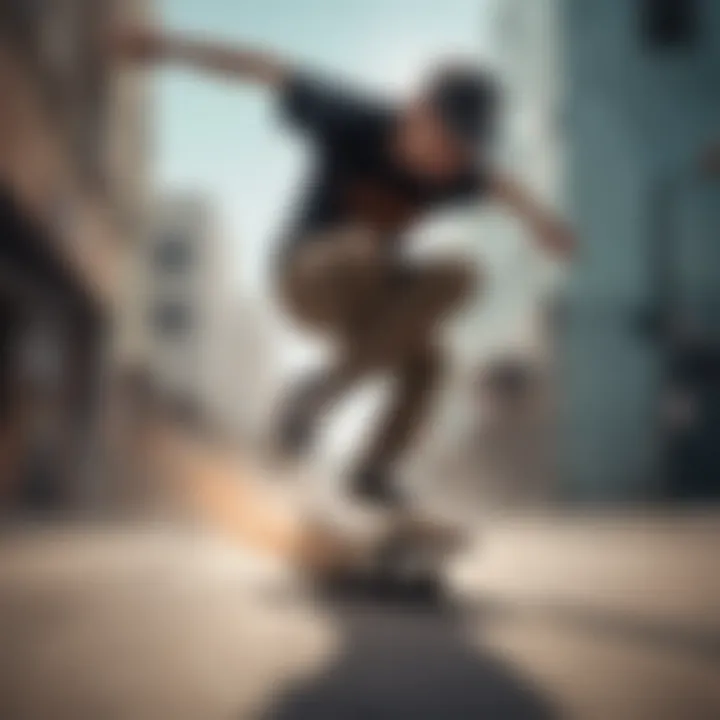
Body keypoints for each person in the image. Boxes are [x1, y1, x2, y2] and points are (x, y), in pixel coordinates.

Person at [115, 27, 576, 508]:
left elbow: (501, 186)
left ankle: (370, 471)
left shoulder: (457, 171)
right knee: (366, 244)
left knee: (438, 343)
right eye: (446, 144)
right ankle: (316, 401)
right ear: (418, 110)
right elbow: (264, 67)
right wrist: (168, 49)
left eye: (463, 154)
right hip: (305, 276)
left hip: (370, 304)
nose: (449, 165)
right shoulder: (352, 117)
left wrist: (544, 224)